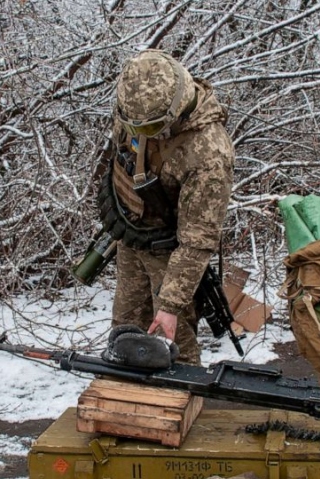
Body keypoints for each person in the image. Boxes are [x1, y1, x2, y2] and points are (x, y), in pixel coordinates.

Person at [97, 50, 234, 365]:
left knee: (172, 343)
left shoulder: (208, 153)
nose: (138, 134)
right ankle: (128, 398)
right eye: (133, 126)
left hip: (172, 253)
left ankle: (177, 404)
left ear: (176, 110)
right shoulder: (136, 106)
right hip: (132, 235)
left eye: (149, 129)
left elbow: (197, 239)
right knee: (125, 330)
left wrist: (171, 304)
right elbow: (123, 153)